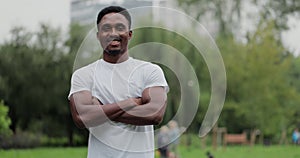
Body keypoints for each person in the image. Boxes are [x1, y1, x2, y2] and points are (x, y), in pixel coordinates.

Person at [68, 6, 169, 158]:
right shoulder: (83, 75)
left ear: (129, 34)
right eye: (106, 28)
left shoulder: (150, 71)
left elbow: (155, 114)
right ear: (98, 35)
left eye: (120, 28)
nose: (113, 33)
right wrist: (131, 102)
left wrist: (100, 110)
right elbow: (82, 117)